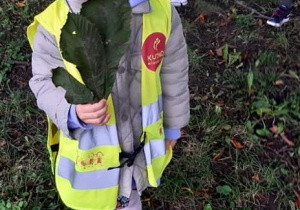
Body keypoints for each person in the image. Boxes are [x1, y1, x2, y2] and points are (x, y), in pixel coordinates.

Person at [27, 0, 189, 209]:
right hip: (90, 165)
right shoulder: (55, 22)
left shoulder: (161, 12)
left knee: (129, 195)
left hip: (138, 148)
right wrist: (71, 112)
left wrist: (173, 125)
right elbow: (44, 81)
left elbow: (174, 70)